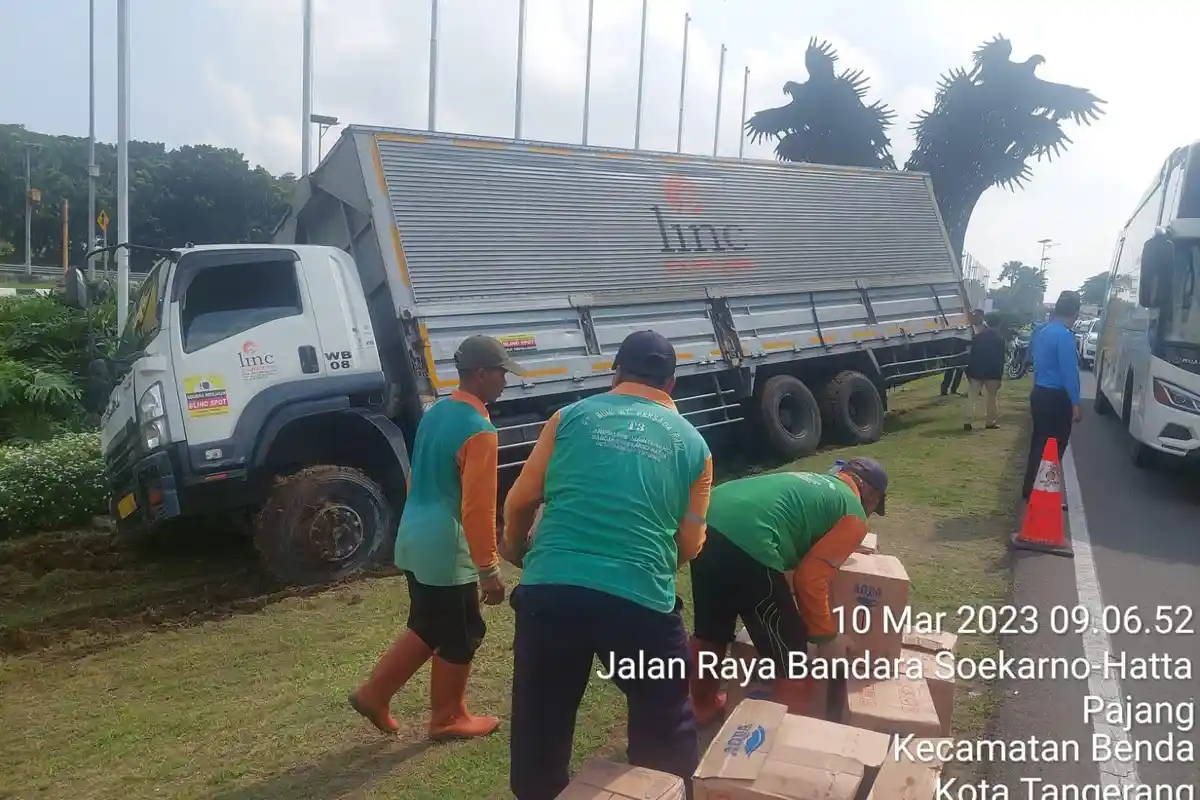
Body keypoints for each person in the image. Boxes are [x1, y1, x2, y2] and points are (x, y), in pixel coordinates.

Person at [500, 330, 713, 800]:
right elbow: (692, 541)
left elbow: (519, 502)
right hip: (640, 606)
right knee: (664, 719)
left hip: (550, 593)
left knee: (541, 726)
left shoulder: (569, 417)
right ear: (671, 384)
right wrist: (653, 568)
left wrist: (520, 555)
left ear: (614, 372)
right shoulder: (695, 446)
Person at [348, 335, 525, 740]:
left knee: (430, 624)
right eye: (501, 373)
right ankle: (448, 718)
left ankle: (374, 694)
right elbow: (477, 508)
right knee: (463, 631)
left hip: (415, 534)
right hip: (446, 542)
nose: (505, 380)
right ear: (481, 374)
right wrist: (488, 568)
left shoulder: (437, 411)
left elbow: (415, 476)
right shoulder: (479, 429)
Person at [687, 458, 888, 725]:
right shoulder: (854, 514)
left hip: (707, 520)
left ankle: (702, 707)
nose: (870, 515)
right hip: (750, 537)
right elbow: (810, 578)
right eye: (875, 506)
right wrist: (827, 636)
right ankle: (782, 742)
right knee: (793, 660)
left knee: (711, 632)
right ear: (868, 492)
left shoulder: (816, 484)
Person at [1022, 292, 1082, 501]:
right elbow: (1069, 372)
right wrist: (1075, 403)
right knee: (1055, 447)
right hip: (1057, 397)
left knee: (1038, 442)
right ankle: (1045, 492)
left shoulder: (1043, 332)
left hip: (1039, 392)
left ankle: (1030, 489)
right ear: (1075, 313)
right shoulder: (1065, 336)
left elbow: (1036, 365)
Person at [964, 310, 1006, 431]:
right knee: (992, 398)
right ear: (998, 325)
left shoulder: (977, 338)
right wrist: (999, 377)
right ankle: (990, 421)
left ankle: (968, 420)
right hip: (992, 372)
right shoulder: (1000, 340)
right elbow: (1000, 360)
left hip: (976, 371)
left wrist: (969, 371)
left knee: (972, 396)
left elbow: (972, 355)